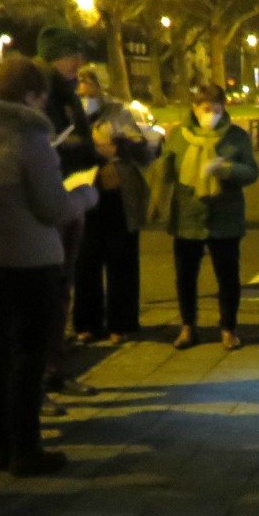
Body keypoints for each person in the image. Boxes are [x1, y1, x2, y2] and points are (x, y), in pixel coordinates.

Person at [0, 54, 94, 476]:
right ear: (30, 96)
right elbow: (52, 208)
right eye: (40, 100)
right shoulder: (28, 140)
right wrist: (85, 195)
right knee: (28, 356)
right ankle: (26, 449)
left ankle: (0, 444)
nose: (41, 109)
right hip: (30, 259)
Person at [154, 84, 259, 350]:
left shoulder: (236, 137)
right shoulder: (179, 135)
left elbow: (251, 172)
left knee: (228, 276)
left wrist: (226, 169)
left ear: (224, 109)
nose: (211, 114)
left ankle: (228, 328)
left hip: (225, 216)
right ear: (195, 108)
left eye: (216, 109)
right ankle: (188, 327)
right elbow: (167, 168)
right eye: (206, 109)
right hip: (187, 216)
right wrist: (158, 164)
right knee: (186, 276)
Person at [73, 65, 155, 346]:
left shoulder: (119, 112)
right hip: (82, 192)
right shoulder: (70, 112)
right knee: (85, 260)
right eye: (80, 82)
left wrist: (117, 149)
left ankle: (122, 322)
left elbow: (143, 150)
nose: (84, 88)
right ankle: (87, 323)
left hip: (116, 194)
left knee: (121, 259)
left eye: (90, 83)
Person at [33, 26, 94, 383]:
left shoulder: (66, 93)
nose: (79, 62)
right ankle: (46, 368)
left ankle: (54, 364)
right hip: (55, 202)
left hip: (71, 194)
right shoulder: (46, 91)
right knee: (51, 289)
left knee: (62, 286)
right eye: (73, 54)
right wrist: (77, 148)